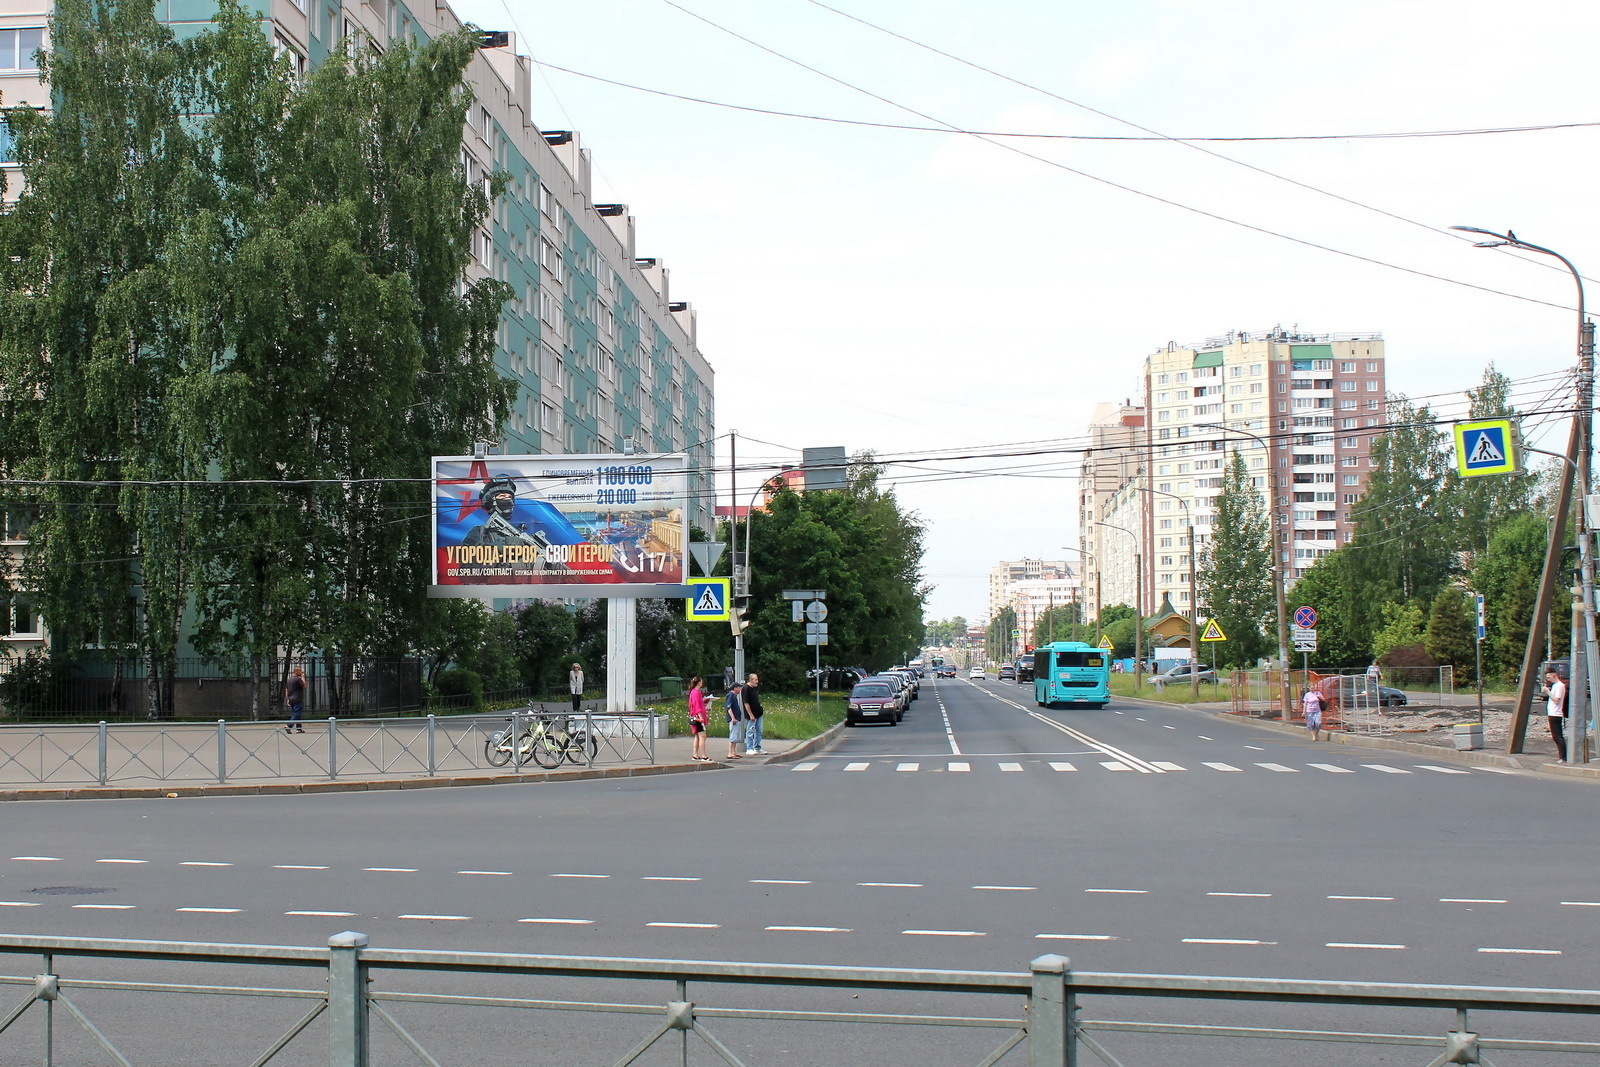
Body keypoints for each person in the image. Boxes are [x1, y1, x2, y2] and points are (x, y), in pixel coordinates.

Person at [1546, 667, 1568, 761]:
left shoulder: (1559, 686)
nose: (1548, 680)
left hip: (1556, 714)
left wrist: (1547, 692)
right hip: (1552, 713)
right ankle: (1562, 756)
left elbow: (1556, 700)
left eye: (1548, 677)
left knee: (1558, 736)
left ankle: (1563, 757)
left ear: (1554, 675)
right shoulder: (1555, 685)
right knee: (1556, 737)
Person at [686, 676, 710, 762]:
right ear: (699, 682)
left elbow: (697, 703)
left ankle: (695, 754)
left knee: (697, 736)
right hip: (698, 718)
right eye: (701, 681)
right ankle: (704, 756)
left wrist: (704, 701)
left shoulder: (694, 692)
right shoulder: (696, 692)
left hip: (695, 717)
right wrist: (700, 717)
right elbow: (696, 706)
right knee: (702, 736)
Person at [742, 673, 766, 755]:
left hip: (758, 713)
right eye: (755, 679)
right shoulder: (746, 688)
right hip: (751, 715)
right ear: (751, 680)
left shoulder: (754, 688)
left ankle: (757, 747)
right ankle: (749, 748)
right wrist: (751, 715)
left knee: (759, 731)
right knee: (750, 731)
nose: (757, 681)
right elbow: (746, 703)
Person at [724, 681, 745, 760]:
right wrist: (733, 718)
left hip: (737, 719)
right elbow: (729, 707)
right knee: (733, 736)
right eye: (739, 688)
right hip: (734, 719)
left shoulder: (734, 696)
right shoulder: (730, 696)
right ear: (735, 688)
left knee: (735, 736)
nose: (740, 689)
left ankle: (733, 752)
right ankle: (730, 752)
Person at [284, 666, 306, 734]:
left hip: (291, 699)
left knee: (297, 714)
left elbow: (286, 690)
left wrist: (288, 699)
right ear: (296, 671)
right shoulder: (297, 679)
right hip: (297, 698)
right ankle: (289, 725)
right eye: (300, 671)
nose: (301, 672)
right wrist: (303, 677)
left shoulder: (289, 679)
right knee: (297, 713)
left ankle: (299, 729)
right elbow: (304, 686)